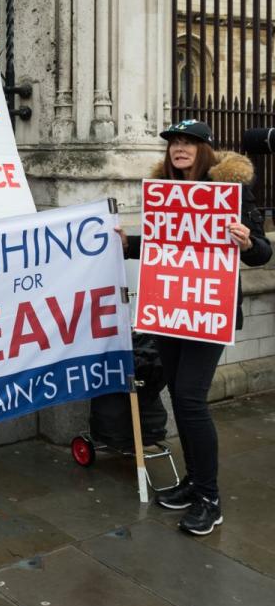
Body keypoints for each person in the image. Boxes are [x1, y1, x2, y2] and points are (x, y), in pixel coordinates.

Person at [116, 119, 272, 535]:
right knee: (180, 398)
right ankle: (192, 483)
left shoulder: (231, 192)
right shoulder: (165, 194)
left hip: (208, 311)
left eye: (188, 143)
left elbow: (261, 253)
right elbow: (161, 243)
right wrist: (128, 243)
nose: (179, 149)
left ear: (204, 149)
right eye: (174, 144)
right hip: (170, 311)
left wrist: (247, 242)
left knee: (189, 399)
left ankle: (209, 498)